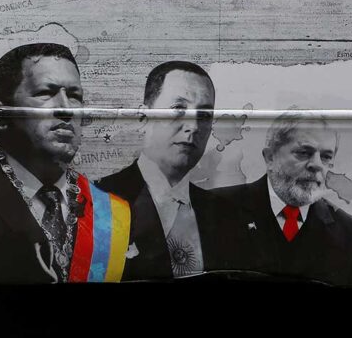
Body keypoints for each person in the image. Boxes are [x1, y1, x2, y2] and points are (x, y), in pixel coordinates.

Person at [0, 43, 131, 283]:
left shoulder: (113, 211)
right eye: (46, 92)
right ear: (1, 116)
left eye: (75, 96)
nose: (66, 109)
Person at [96, 61, 244, 280]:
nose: (193, 126)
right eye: (178, 109)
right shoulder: (98, 201)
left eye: (203, 115)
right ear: (143, 117)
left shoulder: (226, 216)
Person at [206, 112, 352, 287]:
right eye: (303, 152)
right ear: (270, 157)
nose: (316, 165)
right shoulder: (215, 209)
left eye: (326, 157)